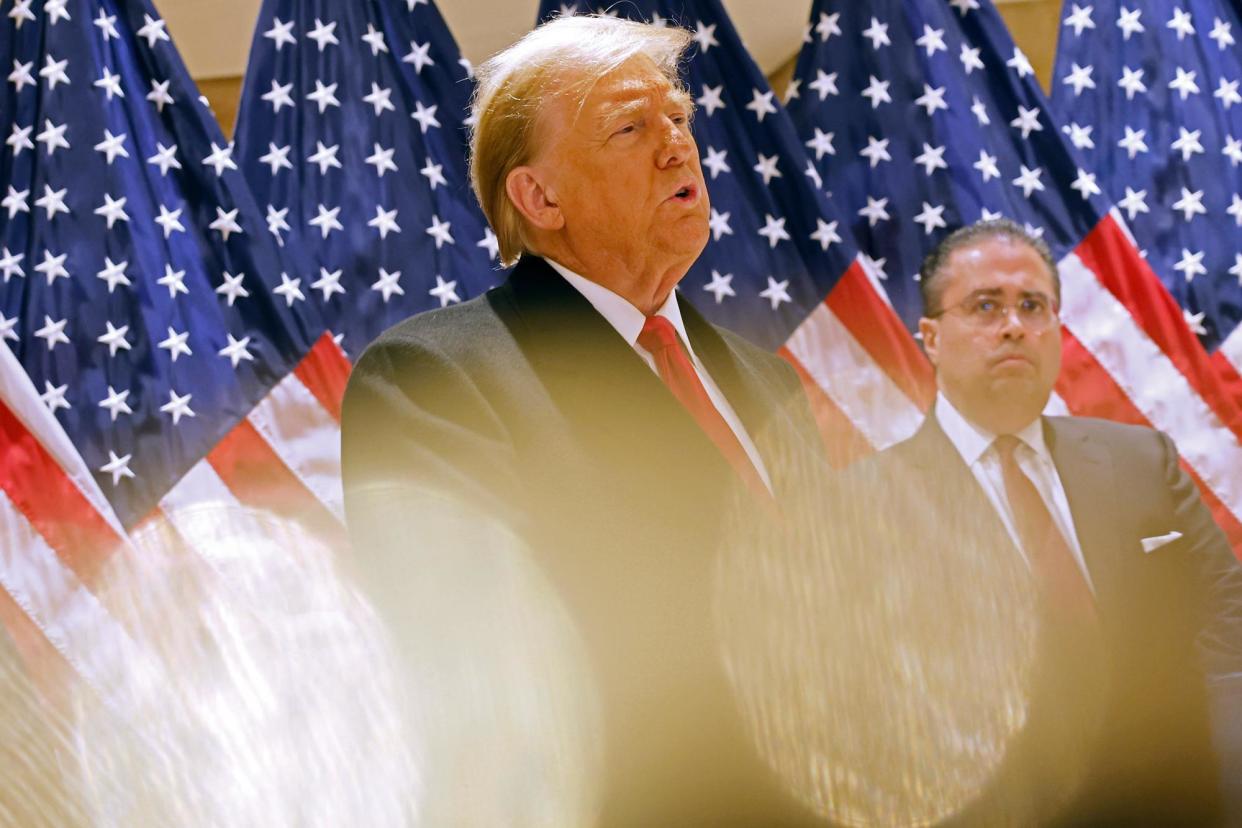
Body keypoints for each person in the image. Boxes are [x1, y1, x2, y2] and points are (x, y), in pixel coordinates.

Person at [340, 15, 825, 827]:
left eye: (678, 118)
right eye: (630, 127)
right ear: (539, 196)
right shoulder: (437, 379)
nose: (677, 146)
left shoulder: (769, 387)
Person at [872, 218, 1242, 825]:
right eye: (985, 306)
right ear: (932, 338)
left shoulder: (1142, 461)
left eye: (1033, 306)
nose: (1014, 326)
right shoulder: (867, 505)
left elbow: (1227, 617)